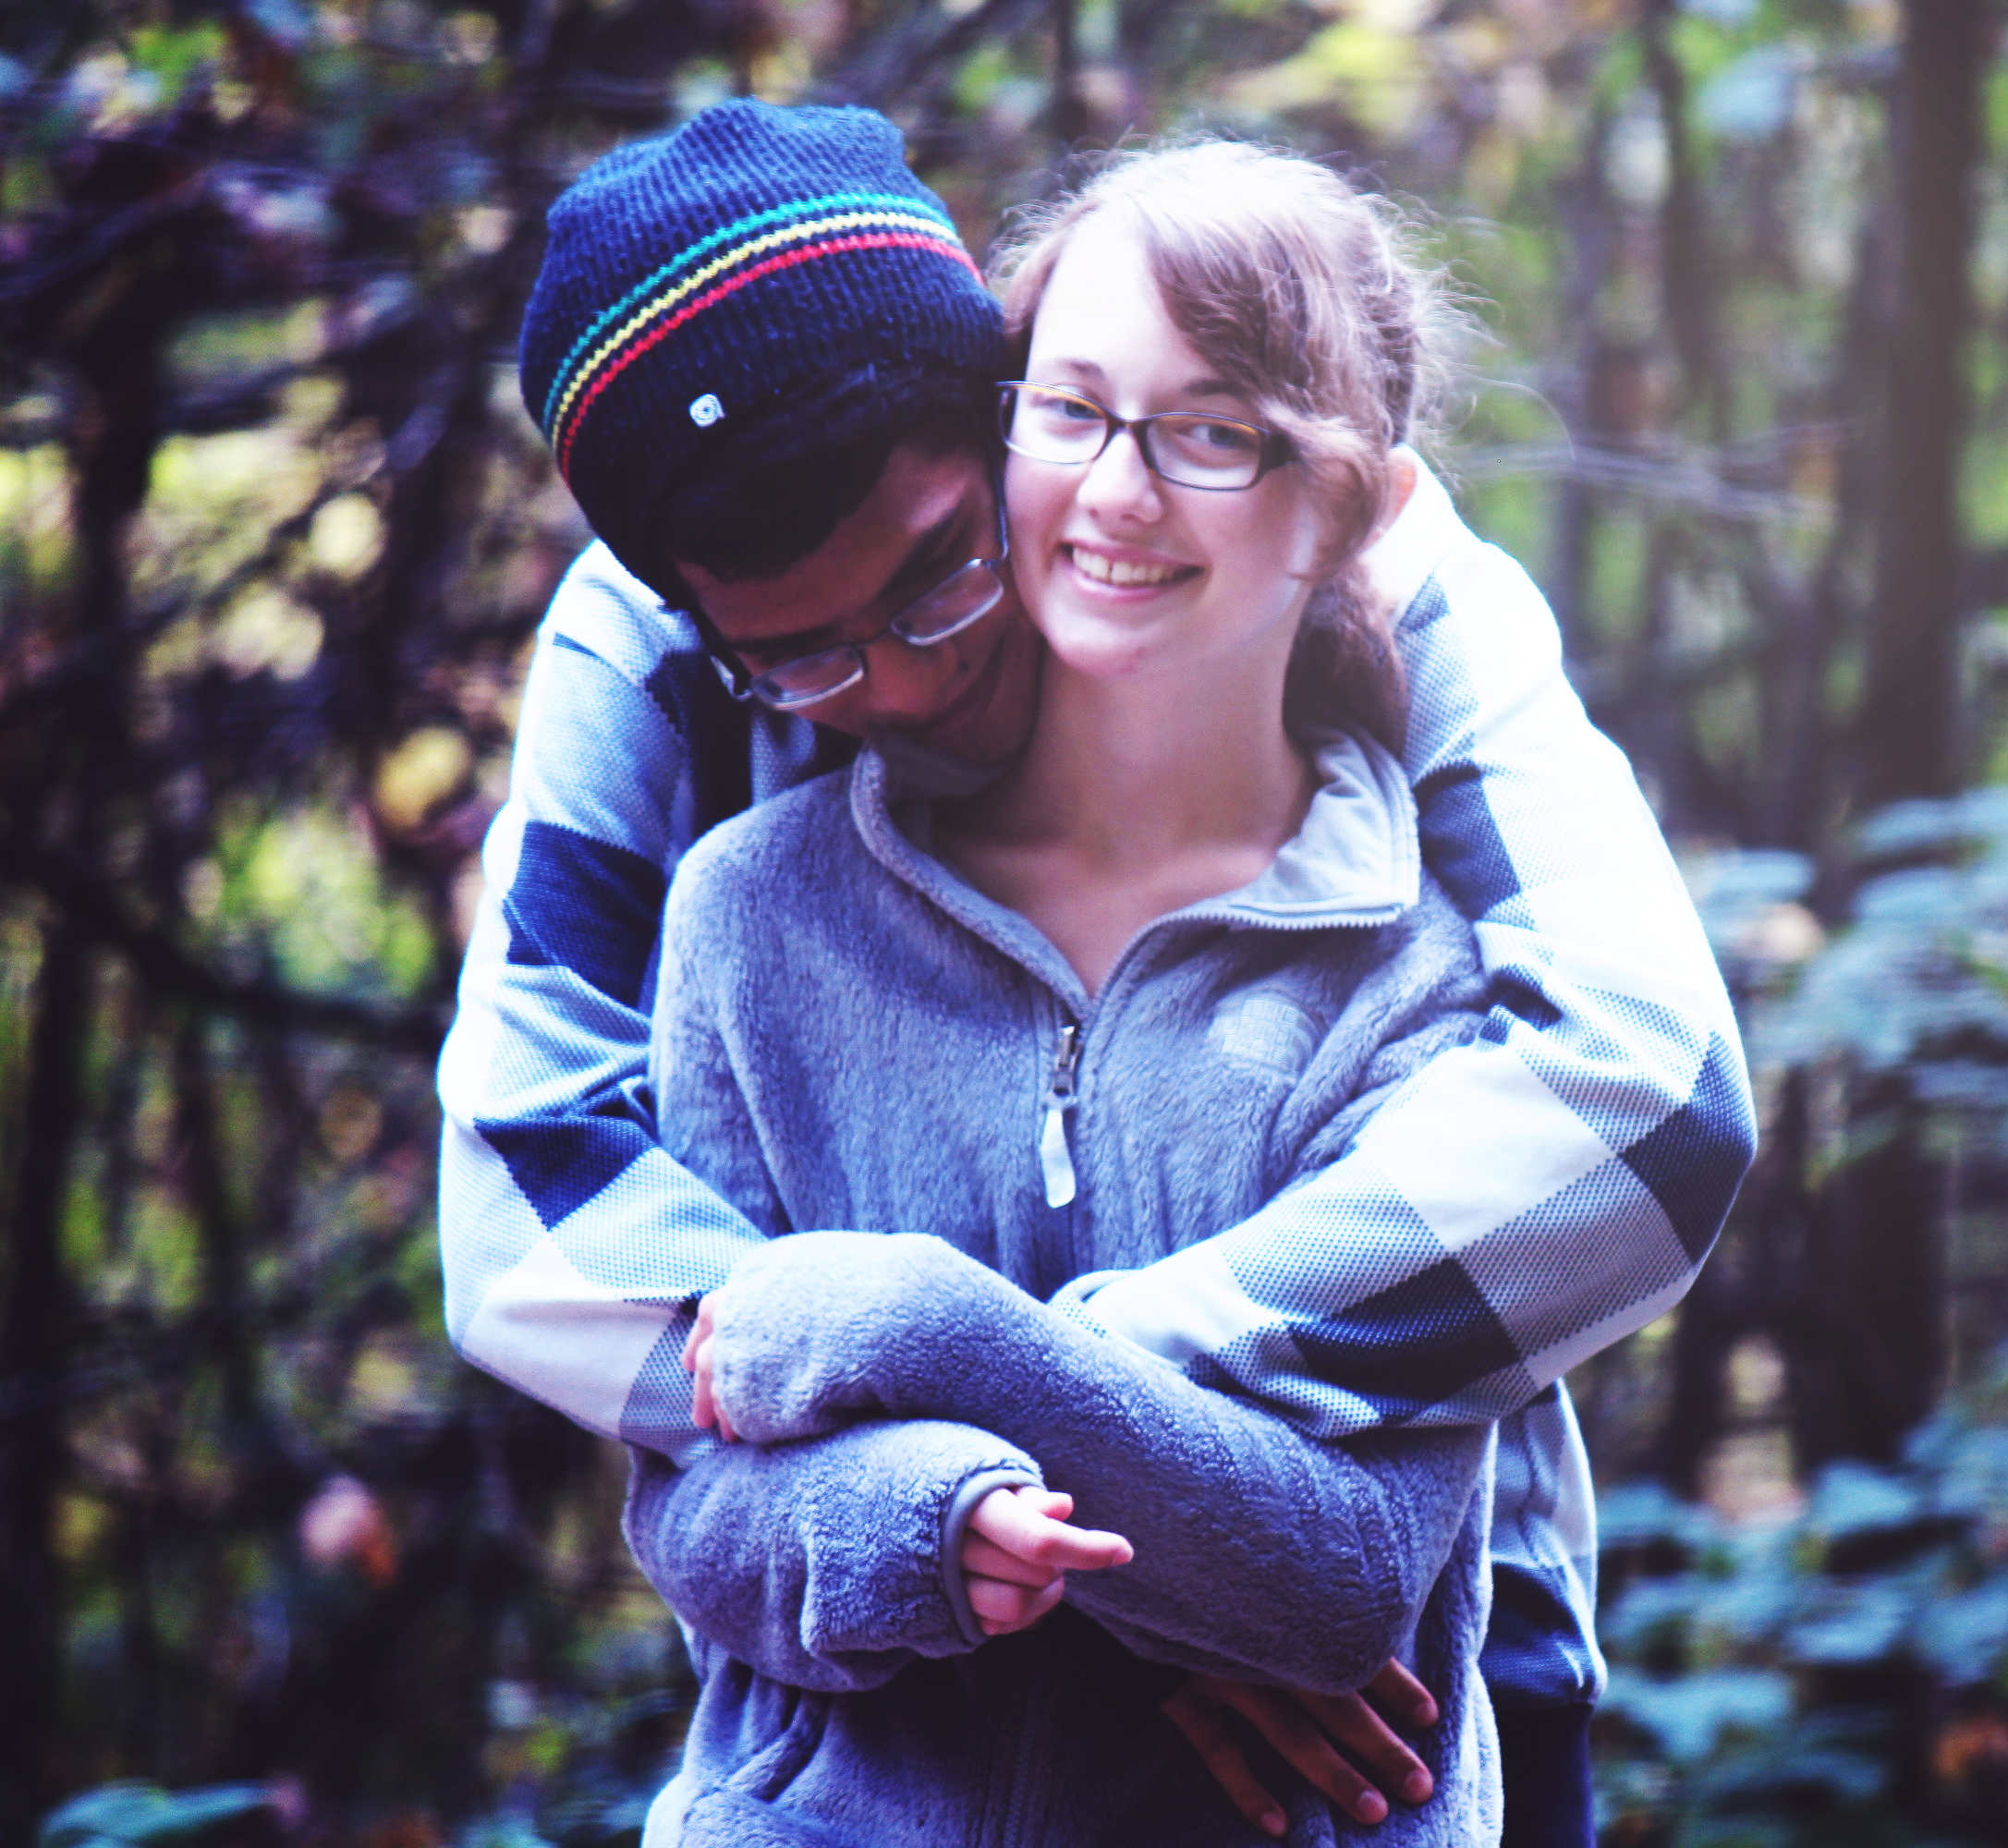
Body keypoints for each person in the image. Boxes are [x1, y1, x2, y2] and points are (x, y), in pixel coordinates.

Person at [441, 101, 1754, 1843]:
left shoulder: (1357, 553)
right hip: (897, 1709)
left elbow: (1652, 1099)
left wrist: (1133, 1453)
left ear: (1009, 406)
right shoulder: (656, 655)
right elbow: (525, 1226)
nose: (892, 689)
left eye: (932, 578)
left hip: (1383, 1696)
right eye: (803, 659)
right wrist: (999, 1512)